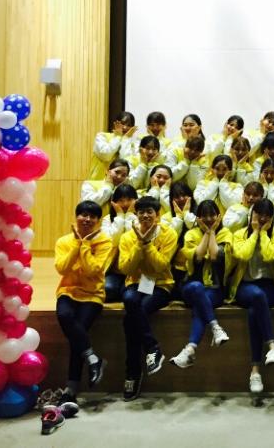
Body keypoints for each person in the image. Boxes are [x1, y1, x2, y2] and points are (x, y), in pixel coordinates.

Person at [118, 196, 177, 401]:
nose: (145, 215)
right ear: (136, 215)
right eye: (141, 212)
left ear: (157, 214)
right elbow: (125, 268)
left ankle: (132, 373)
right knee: (130, 300)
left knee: (131, 319)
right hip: (136, 283)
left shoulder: (169, 234)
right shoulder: (127, 237)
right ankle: (152, 348)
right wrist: (138, 244)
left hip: (160, 284)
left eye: (149, 212)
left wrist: (147, 244)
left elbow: (161, 266)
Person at [54, 201, 111, 403]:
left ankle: (70, 390)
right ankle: (93, 359)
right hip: (68, 291)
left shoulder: (104, 242)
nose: (87, 219)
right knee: (65, 316)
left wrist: (85, 245)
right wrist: (77, 245)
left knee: (77, 336)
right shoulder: (64, 241)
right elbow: (62, 268)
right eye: (83, 215)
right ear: (76, 217)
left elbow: (92, 270)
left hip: (93, 294)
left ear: (98, 221)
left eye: (92, 216)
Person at [229, 198, 274, 392]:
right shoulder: (239, 234)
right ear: (251, 214)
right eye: (258, 214)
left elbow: (270, 256)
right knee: (256, 297)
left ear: (272, 218)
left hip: (269, 287)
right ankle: (272, 347)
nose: (262, 218)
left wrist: (263, 234)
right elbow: (243, 254)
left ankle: (255, 371)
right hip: (244, 286)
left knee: (255, 310)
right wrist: (254, 233)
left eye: (267, 215)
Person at [170, 200, 232, 369]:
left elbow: (214, 256)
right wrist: (208, 232)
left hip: (215, 289)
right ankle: (215, 327)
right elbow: (198, 256)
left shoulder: (225, 233)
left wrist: (212, 232)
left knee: (201, 306)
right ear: (198, 218)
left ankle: (190, 349)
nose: (209, 219)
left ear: (218, 216)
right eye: (204, 215)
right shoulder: (191, 234)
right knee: (197, 288)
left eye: (212, 215)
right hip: (190, 286)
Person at [88, 111, 136, 180]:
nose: (125, 127)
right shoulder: (102, 136)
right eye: (122, 123)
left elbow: (125, 163)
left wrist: (126, 140)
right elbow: (106, 155)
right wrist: (118, 137)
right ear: (115, 124)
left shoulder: (132, 145)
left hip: (118, 183)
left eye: (129, 125)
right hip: (98, 182)